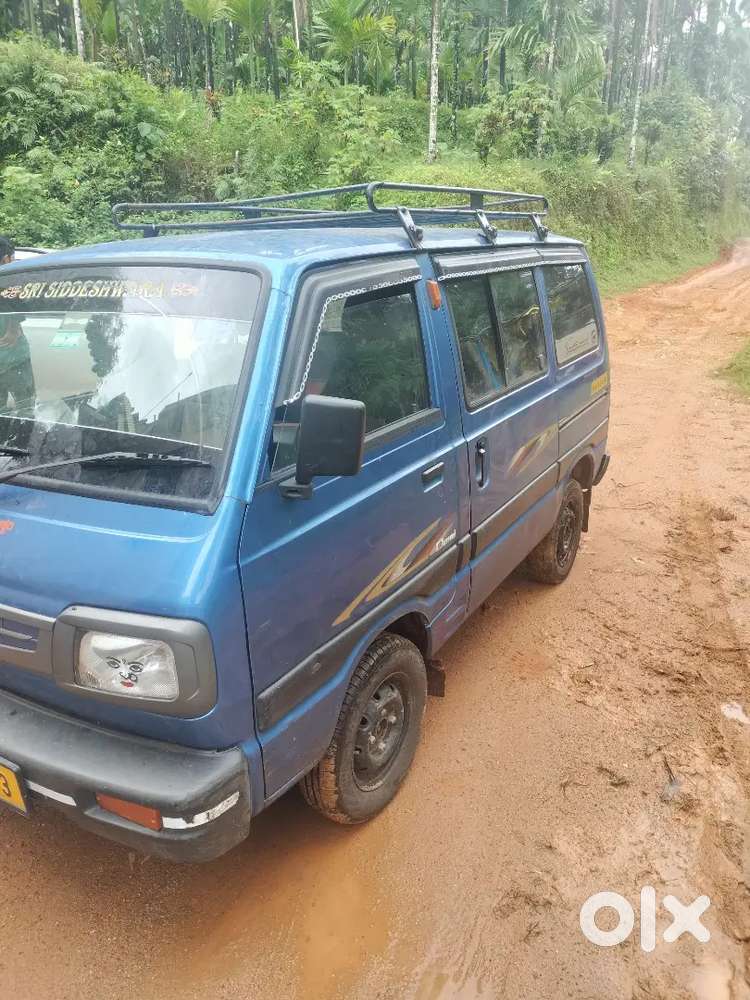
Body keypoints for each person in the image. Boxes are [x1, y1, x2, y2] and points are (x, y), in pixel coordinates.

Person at [0, 235, 36, 413]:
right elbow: (22, 307)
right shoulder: (10, 281)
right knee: (26, 409)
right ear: (7, 258)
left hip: (12, 358)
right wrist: (14, 328)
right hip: (14, 361)